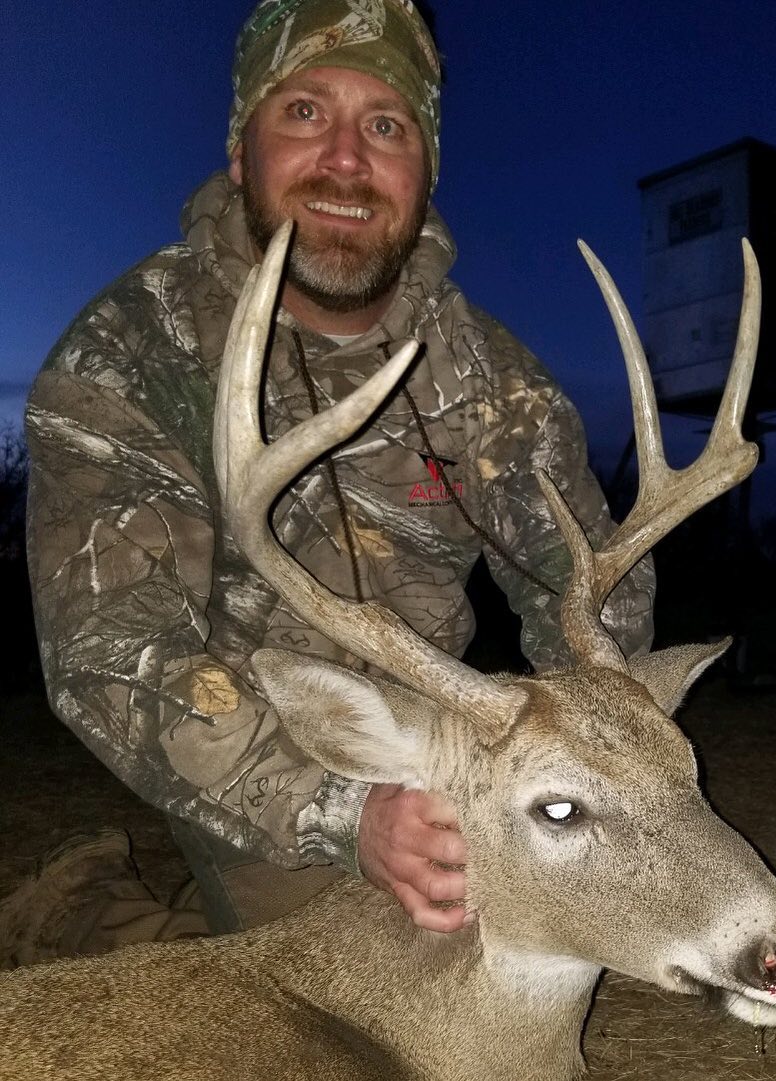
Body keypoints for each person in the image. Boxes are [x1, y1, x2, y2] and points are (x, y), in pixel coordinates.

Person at [2, 0, 653, 967]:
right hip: (254, 746)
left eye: (386, 126)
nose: (346, 161)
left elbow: (592, 589)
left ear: (424, 171)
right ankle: (76, 911)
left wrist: (549, 760)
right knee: (384, 988)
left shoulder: (491, 375)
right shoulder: (132, 354)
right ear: (240, 155)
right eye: (304, 112)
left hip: (455, 740)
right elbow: (109, 657)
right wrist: (346, 816)